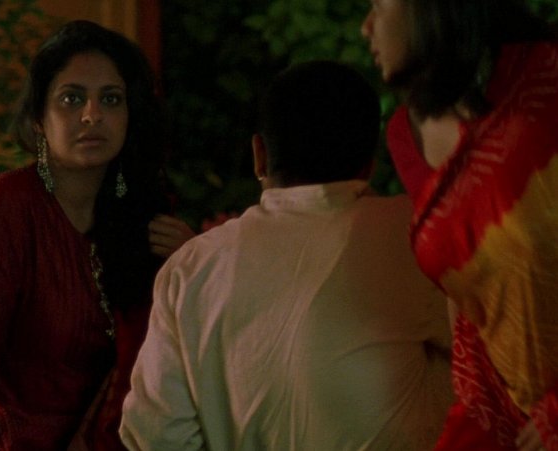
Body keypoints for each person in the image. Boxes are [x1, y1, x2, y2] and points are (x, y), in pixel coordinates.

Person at [120, 60, 453, 450]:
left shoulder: (193, 268)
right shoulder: (417, 236)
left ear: (259, 155)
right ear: (371, 160)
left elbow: (157, 434)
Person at [0, 20, 194, 450]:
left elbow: (175, 370)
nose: (92, 115)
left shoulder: (142, 219)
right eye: (71, 98)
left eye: (111, 99)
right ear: (39, 118)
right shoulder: (1, 210)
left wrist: (191, 269)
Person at [361, 1, 558, 449]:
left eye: (378, 6)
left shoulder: (543, 82)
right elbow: (463, 285)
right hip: (498, 394)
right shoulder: (407, 134)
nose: (366, 28)